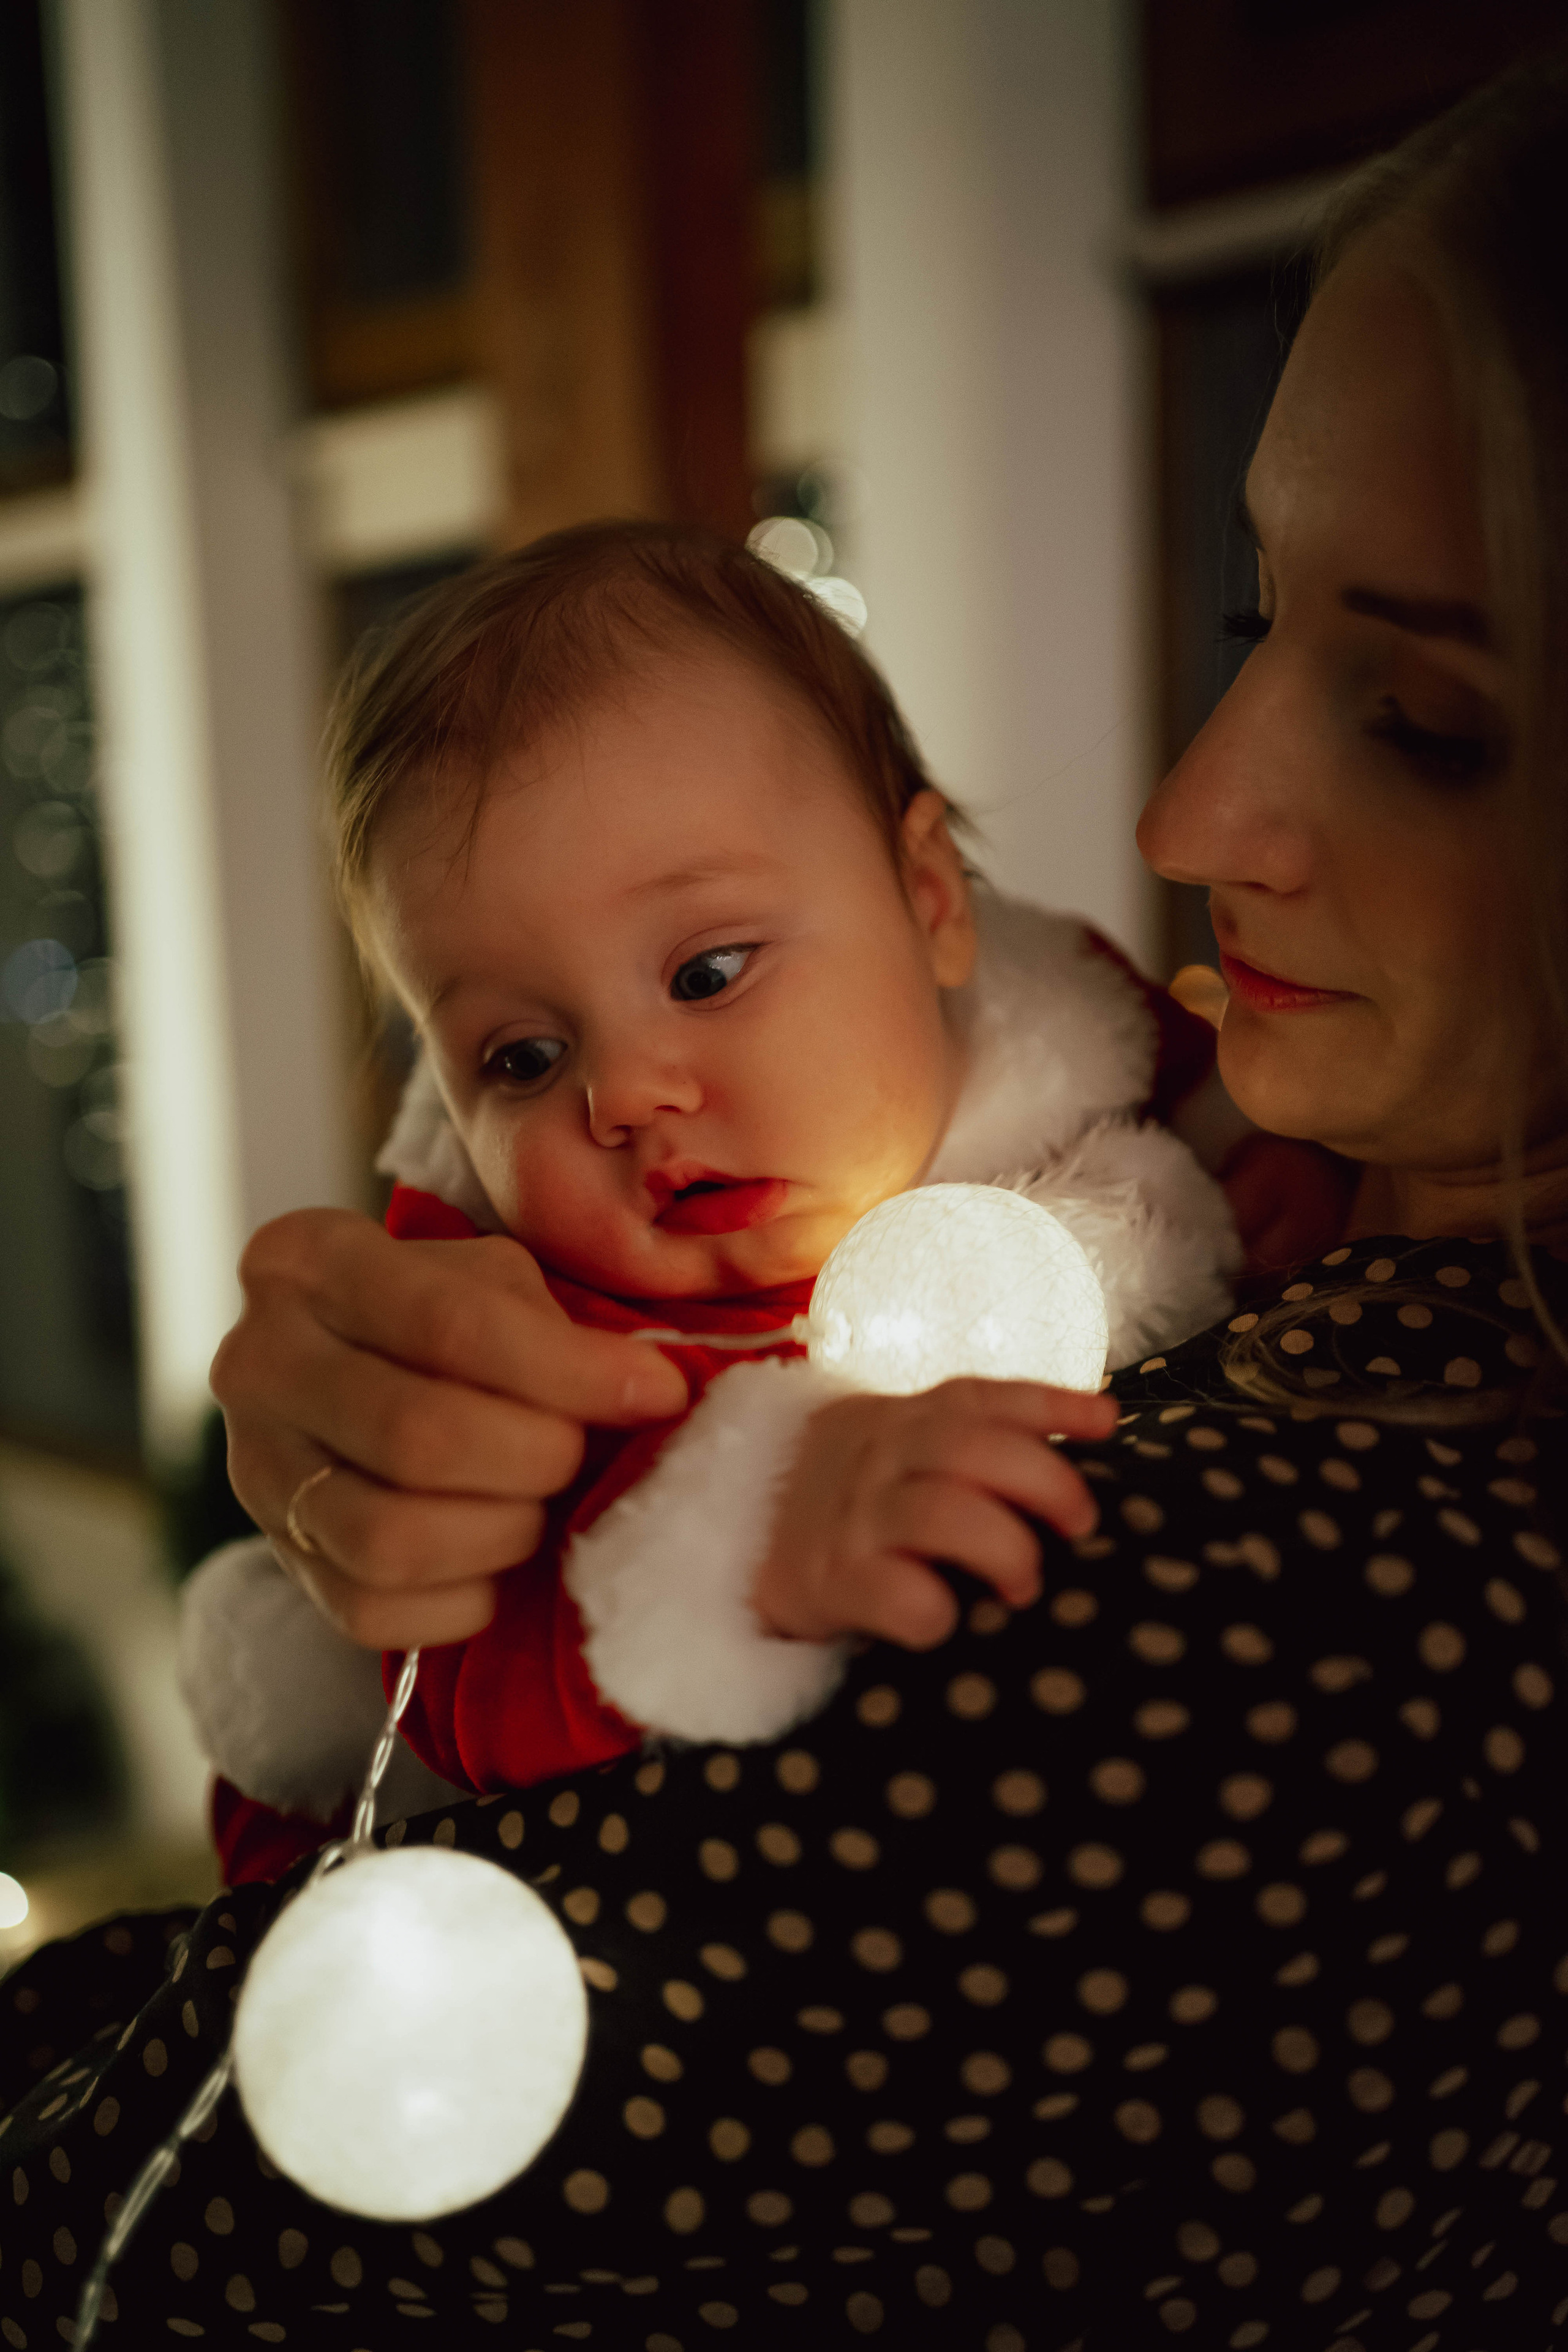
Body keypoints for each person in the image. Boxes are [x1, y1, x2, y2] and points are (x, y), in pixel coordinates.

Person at [5, 48, 1568, 2352]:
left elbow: (246, 2177)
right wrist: (369, 1470)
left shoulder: (1308, 1613)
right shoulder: (1219, 1168)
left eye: (1427, 723)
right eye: (1258, 627)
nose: (1183, 806)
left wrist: (726, 1551)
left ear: (924, 896)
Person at [176, 521, 1338, 1887]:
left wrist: (1278, 1150)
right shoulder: (516, 1318)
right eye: (523, 1057)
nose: (625, 1095)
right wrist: (749, 1543)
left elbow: (1189, 1086)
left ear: (925, 900)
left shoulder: (1071, 1027)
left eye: (707, 971)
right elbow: (445, 1685)